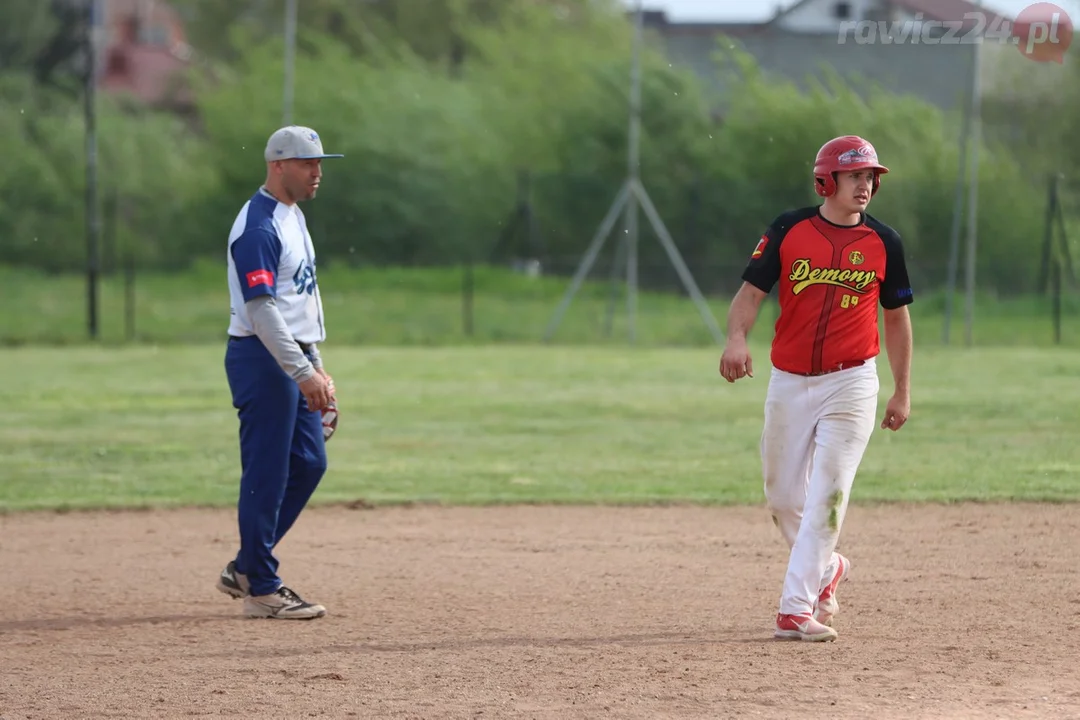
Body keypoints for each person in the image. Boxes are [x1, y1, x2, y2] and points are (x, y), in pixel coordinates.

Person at [718, 135, 914, 642]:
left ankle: (795, 608)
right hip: (789, 380)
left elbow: (896, 320)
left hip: (852, 383)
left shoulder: (885, 242)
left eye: (871, 177)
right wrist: (737, 338)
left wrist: (901, 389)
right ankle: (828, 569)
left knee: (829, 492)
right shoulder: (789, 229)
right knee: (783, 495)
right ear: (827, 181)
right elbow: (751, 292)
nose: (866, 185)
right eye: (855, 176)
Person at [214, 125, 344, 620]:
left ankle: (246, 566)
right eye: (308, 163)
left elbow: (297, 301)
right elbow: (263, 310)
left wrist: (316, 365)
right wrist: (301, 371)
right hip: (263, 361)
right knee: (266, 474)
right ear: (278, 165)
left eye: (319, 163)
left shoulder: (292, 215)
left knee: (309, 463)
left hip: (293, 357)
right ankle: (262, 588)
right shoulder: (259, 227)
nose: (318, 172)